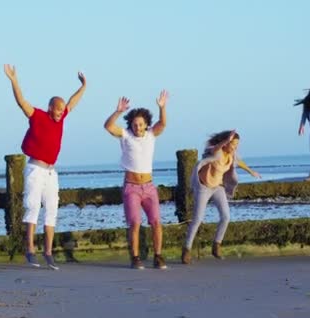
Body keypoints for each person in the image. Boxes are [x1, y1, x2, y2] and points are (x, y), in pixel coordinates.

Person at [4, 64, 86, 270]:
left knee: (52, 209)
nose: (60, 112)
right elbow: (22, 102)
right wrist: (14, 80)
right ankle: (30, 249)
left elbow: (72, 102)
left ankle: (48, 252)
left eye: (61, 110)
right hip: (35, 169)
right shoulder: (38, 116)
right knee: (32, 207)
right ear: (50, 108)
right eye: (57, 109)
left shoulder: (61, 119)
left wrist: (84, 86)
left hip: (51, 172)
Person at [103, 91, 169, 270]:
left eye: (140, 124)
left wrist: (162, 107)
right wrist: (117, 112)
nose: (137, 127)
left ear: (146, 124)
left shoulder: (151, 135)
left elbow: (162, 123)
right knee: (135, 223)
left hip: (149, 187)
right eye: (134, 124)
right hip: (131, 187)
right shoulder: (125, 135)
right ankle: (135, 257)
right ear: (131, 124)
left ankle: (158, 256)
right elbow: (108, 126)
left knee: (156, 221)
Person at [181, 130, 261, 264]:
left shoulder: (231, 155)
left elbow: (239, 162)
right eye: (233, 144)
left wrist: (251, 171)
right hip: (204, 187)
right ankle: (186, 249)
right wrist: (225, 141)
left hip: (217, 187)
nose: (235, 147)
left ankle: (216, 245)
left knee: (226, 217)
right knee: (197, 219)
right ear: (226, 143)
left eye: (237, 145)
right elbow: (216, 148)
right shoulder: (216, 152)